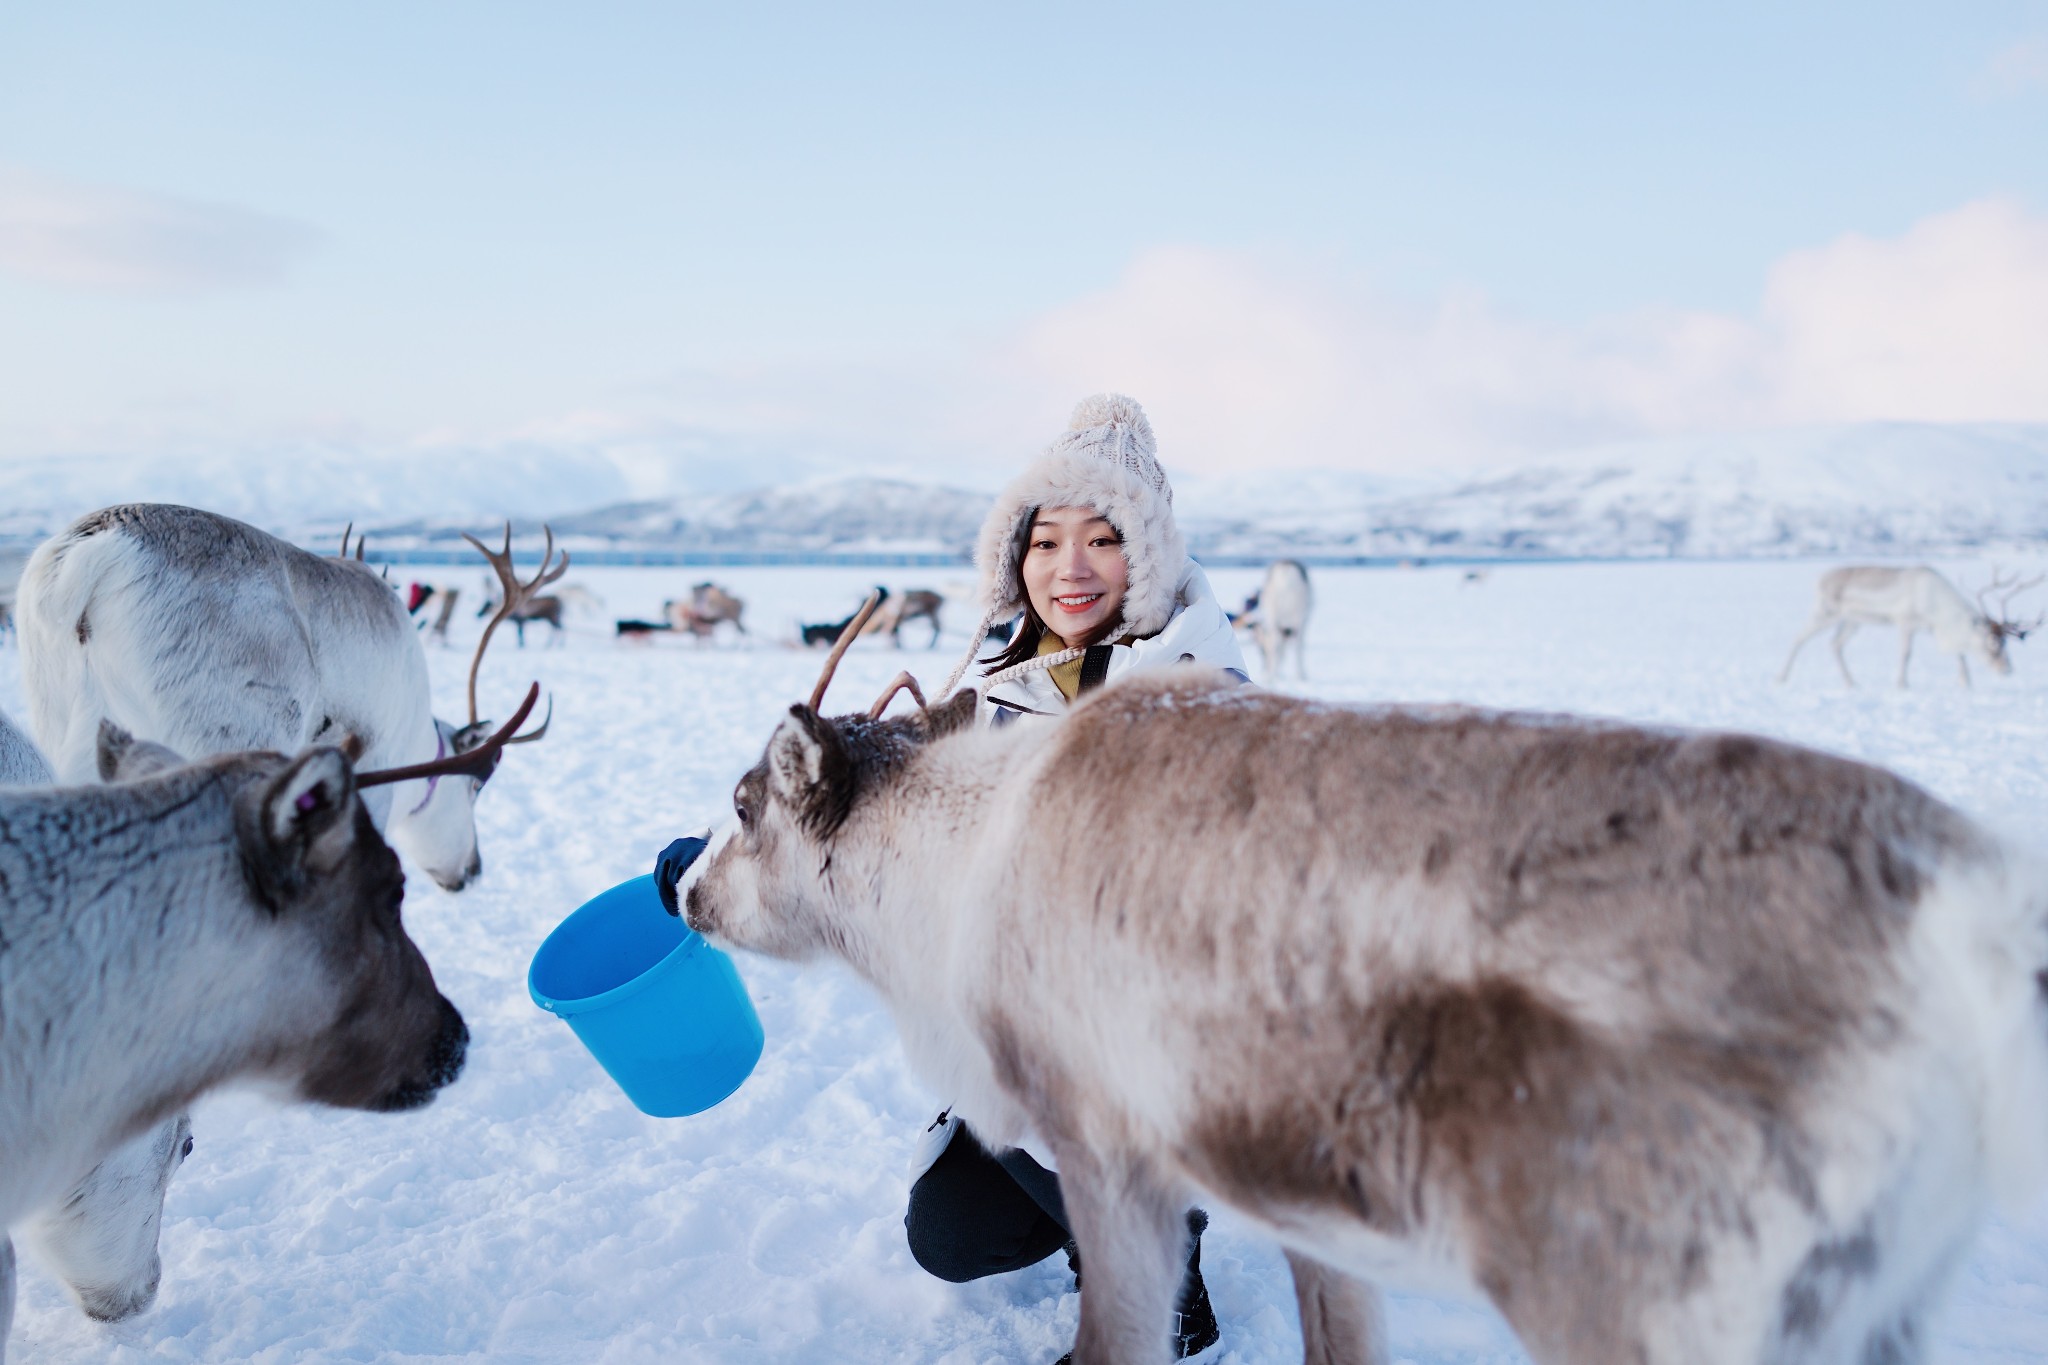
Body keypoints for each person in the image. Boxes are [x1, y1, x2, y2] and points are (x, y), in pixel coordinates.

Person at [909, 394, 1248, 1361]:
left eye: (1104, 539)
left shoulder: (1195, 693)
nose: (1071, 567)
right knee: (951, 1233)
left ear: (1147, 556)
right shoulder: (1005, 676)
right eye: (1047, 540)